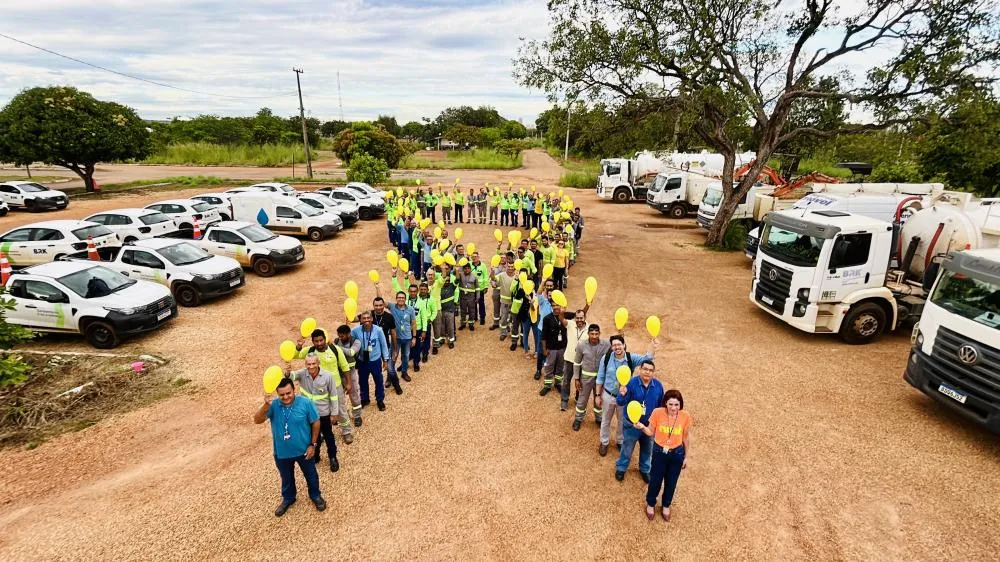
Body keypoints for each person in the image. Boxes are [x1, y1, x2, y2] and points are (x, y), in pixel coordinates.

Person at [253, 377, 326, 516]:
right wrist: (265, 405)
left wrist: (313, 444)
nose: (286, 397)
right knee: (286, 478)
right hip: (282, 452)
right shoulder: (273, 405)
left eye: (288, 393)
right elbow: (257, 420)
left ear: (294, 390)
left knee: (311, 475)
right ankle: (288, 498)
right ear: (277, 394)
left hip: (304, 450)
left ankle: (315, 495)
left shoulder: (305, 403)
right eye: (282, 394)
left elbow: (316, 422)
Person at [595, 335, 656, 457]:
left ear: (624, 345)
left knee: (622, 421)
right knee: (605, 420)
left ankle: (620, 441)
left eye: (619, 344)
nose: (617, 347)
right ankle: (604, 442)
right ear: (611, 347)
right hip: (608, 395)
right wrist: (597, 395)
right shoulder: (606, 358)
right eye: (614, 345)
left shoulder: (630, 358)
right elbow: (600, 377)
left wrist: (653, 346)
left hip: (624, 397)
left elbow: (648, 358)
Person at [635, 389, 690, 521]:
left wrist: (686, 457)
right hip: (659, 452)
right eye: (670, 404)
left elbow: (686, 438)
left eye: (676, 405)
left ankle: (666, 505)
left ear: (680, 405)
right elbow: (650, 432)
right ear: (665, 403)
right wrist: (642, 427)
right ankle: (651, 503)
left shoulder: (685, 416)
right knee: (655, 480)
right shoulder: (657, 413)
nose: (673, 408)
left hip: (677, 453)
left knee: (671, 482)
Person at [295, 329, 354, 442]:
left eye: (321, 340)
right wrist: (298, 346)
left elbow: (345, 366)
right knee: (319, 412)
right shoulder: (310, 351)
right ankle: (320, 432)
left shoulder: (335, 349)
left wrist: (349, 382)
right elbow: (296, 355)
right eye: (316, 341)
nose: (319, 343)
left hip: (336, 386)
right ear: (312, 341)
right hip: (318, 389)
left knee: (340, 409)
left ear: (325, 339)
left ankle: (346, 431)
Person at [287, 354, 341, 472]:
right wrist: (287, 372)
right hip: (307, 414)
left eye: (313, 363)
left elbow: (333, 395)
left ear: (318, 363)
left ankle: (333, 457)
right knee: (311, 436)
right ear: (305, 365)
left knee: (328, 436)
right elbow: (291, 376)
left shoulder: (328, 376)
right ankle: (315, 455)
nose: (311, 366)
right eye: (308, 364)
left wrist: (334, 413)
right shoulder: (302, 373)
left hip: (323, 413)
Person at [614, 360, 665, 482]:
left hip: (649, 426)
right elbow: (620, 402)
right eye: (645, 369)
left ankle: (645, 469)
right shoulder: (631, 384)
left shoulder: (658, 386)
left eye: (650, 370)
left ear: (653, 372)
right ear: (640, 370)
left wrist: (657, 424)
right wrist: (621, 394)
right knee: (627, 447)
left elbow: (660, 406)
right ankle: (621, 468)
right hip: (632, 425)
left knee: (648, 449)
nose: (647, 372)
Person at [351, 311, 391, 411]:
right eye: (364, 318)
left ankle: (380, 400)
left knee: (378, 380)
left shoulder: (378, 330)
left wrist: (385, 360)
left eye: (368, 318)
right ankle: (365, 399)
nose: (366, 320)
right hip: (362, 361)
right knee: (362, 381)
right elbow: (349, 340)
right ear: (360, 320)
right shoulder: (356, 331)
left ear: (372, 319)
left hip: (375, 361)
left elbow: (384, 345)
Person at [370, 296, 402, 396]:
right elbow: (356, 318)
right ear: (373, 306)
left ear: (384, 305)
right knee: (376, 369)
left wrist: (395, 349)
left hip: (385, 347)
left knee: (390, 368)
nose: (378, 307)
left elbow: (393, 333)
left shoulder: (389, 317)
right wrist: (349, 317)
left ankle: (396, 385)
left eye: (381, 305)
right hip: (372, 348)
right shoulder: (369, 315)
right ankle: (386, 381)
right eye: (376, 305)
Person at [561, 308, 591, 412]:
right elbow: (561, 319)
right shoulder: (570, 324)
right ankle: (564, 400)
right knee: (566, 380)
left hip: (582, 361)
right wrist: (562, 311)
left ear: (584, 318)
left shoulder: (589, 328)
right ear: (575, 318)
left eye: (581, 318)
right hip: (569, 358)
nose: (579, 320)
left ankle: (578, 399)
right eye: (577, 318)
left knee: (581, 382)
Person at [334, 325, 363, 427]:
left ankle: (357, 416)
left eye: (342, 336)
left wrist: (337, 347)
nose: (340, 338)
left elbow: (351, 352)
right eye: (339, 336)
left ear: (348, 334)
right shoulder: (337, 341)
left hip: (351, 373)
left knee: (354, 395)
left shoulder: (356, 342)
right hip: (339, 373)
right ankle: (342, 416)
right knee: (339, 397)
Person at [538, 298, 568, 396]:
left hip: (562, 348)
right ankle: (547, 385)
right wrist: (544, 349)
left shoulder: (566, 316)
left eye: (557, 305)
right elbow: (543, 336)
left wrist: (587, 304)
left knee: (560, 367)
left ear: (561, 306)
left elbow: (580, 314)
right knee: (549, 367)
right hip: (551, 349)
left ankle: (558, 384)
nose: (555, 307)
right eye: (553, 305)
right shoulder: (547, 318)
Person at [389, 291, 417, 382]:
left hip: (407, 338)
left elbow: (413, 323)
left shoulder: (411, 309)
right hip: (395, 338)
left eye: (403, 298)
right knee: (393, 356)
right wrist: (377, 286)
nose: (401, 299)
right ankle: (390, 376)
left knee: (406, 356)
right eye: (399, 297)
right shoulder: (392, 307)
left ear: (405, 299)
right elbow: (380, 300)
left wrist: (414, 337)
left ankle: (404, 372)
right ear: (396, 299)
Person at [411, 281, 435, 371]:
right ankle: (413, 355)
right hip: (416, 325)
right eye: (421, 289)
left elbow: (434, 311)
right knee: (416, 341)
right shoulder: (416, 298)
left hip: (426, 322)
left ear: (428, 290)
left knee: (426, 339)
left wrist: (430, 319)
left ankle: (425, 354)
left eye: (425, 289)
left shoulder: (432, 299)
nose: (423, 291)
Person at [496, 255, 518, 341]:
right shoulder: (501, 275)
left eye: (512, 267)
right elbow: (494, 279)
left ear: (514, 267)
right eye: (508, 266)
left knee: (514, 318)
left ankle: (513, 332)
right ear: (506, 267)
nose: (510, 268)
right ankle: (503, 333)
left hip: (514, 302)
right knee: (504, 317)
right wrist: (492, 272)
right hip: (504, 301)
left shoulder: (517, 276)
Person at [457, 262, 479, 331]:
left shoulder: (474, 277)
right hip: (462, 297)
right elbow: (456, 278)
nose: (467, 270)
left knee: (471, 311)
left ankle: (471, 324)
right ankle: (463, 324)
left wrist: (477, 297)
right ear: (463, 269)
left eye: (468, 268)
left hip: (471, 297)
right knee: (463, 311)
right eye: (465, 269)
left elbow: (477, 288)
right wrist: (457, 269)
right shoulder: (460, 275)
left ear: (470, 269)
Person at [470, 252, 489, 326]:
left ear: (478, 257)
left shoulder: (483, 266)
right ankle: (474, 317)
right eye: (473, 257)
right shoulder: (469, 265)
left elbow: (485, 276)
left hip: (480, 288)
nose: (474, 258)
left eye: (475, 256)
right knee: (472, 303)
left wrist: (486, 286)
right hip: (471, 288)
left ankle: (482, 318)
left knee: (481, 303)